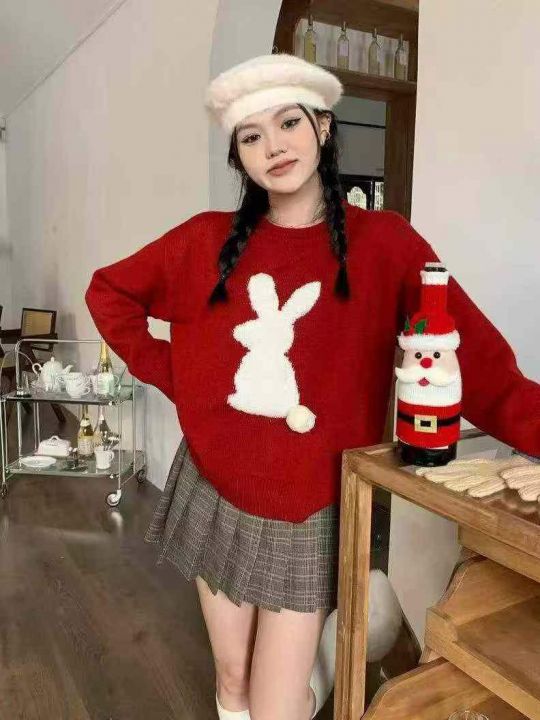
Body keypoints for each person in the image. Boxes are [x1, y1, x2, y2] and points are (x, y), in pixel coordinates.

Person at [84, 53, 540, 720]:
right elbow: (110, 293)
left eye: (289, 123)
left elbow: (476, 364)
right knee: (232, 679)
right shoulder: (204, 241)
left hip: (310, 507)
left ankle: (335, 650)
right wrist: (179, 375)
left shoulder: (387, 243)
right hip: (216, 485)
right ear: (239, 156)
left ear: (323, 127)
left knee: (276, 706)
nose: (274, 146)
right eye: (252, 136)